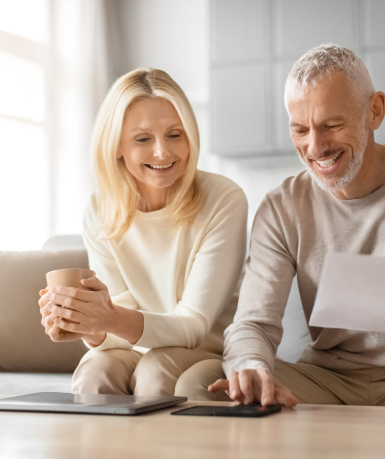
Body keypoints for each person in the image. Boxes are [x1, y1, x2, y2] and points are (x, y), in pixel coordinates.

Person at [175, 44, 385, 409]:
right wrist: (251, 365)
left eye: (332, 125)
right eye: (300, 130)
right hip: (328, 379)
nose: (316, 146)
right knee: (198, 383)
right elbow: (254, 324)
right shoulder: (283, 207)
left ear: (375, 111)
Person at [38, 68, 248, 396]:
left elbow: (194, 326)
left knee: (156, 369)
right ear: (116, 146)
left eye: (175, 135)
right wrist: (87, 326)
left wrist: (106, 317)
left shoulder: (224, 199)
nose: (163, 152)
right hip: (138, 349)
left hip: (209, 352)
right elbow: (117, 328)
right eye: (143, 139)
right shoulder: (100, 210)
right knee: (96, 367)